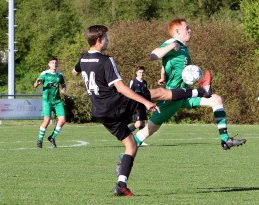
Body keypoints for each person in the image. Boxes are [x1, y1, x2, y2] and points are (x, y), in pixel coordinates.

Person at [71, 25, 211, 196]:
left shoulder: (84, 58)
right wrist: (145, 102)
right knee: (158, 93)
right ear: (99, 40)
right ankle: (201, 91)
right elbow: (121, 88)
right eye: (106, 37)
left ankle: (121, 185)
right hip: (115, 104)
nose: (108, 40)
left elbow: (74, 71)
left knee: (131, 145)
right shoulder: (107, 60)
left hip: (100, 111)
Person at [133, 18, 247, 150]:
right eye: (186, 28)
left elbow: (169, 63)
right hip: (172, 97)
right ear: (177, 31)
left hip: (186, 94)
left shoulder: (183, 48)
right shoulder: (172, 42)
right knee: (148, 131)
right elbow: (153, 55)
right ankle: (128, 150)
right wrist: (170, 46)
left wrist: (162, 75)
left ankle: (225, 139)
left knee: (216, 100)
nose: (190, 30)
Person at [34, 56, 66, 149]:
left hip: (57, 101)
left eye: (56, 63)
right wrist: (37, 82)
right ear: (49, 64)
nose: (54, 64)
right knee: (47, 121)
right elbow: (35, 85)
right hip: (47, 101)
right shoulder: (45, 74)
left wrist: (63, 89)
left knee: (62, 120)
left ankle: (52, 137)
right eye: (52, 63)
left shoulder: (59, 75)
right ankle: (39, 140)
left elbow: (63, 84)